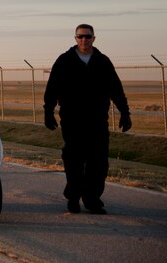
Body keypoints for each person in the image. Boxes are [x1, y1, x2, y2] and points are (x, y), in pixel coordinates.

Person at [43, 24, 131, 215]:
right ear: (75, 38)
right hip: (72, 119)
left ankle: (92, 199)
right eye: (80, 37)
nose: (84, 40)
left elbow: (116, 88)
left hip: (97, 119)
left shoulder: (103, 62)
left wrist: (125, 112)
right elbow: (52, 88)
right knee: (74, 159)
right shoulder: (64, 61)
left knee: (98, 161)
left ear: (94, 38)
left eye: (88, 37)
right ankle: (73, 198)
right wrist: (48, 111)